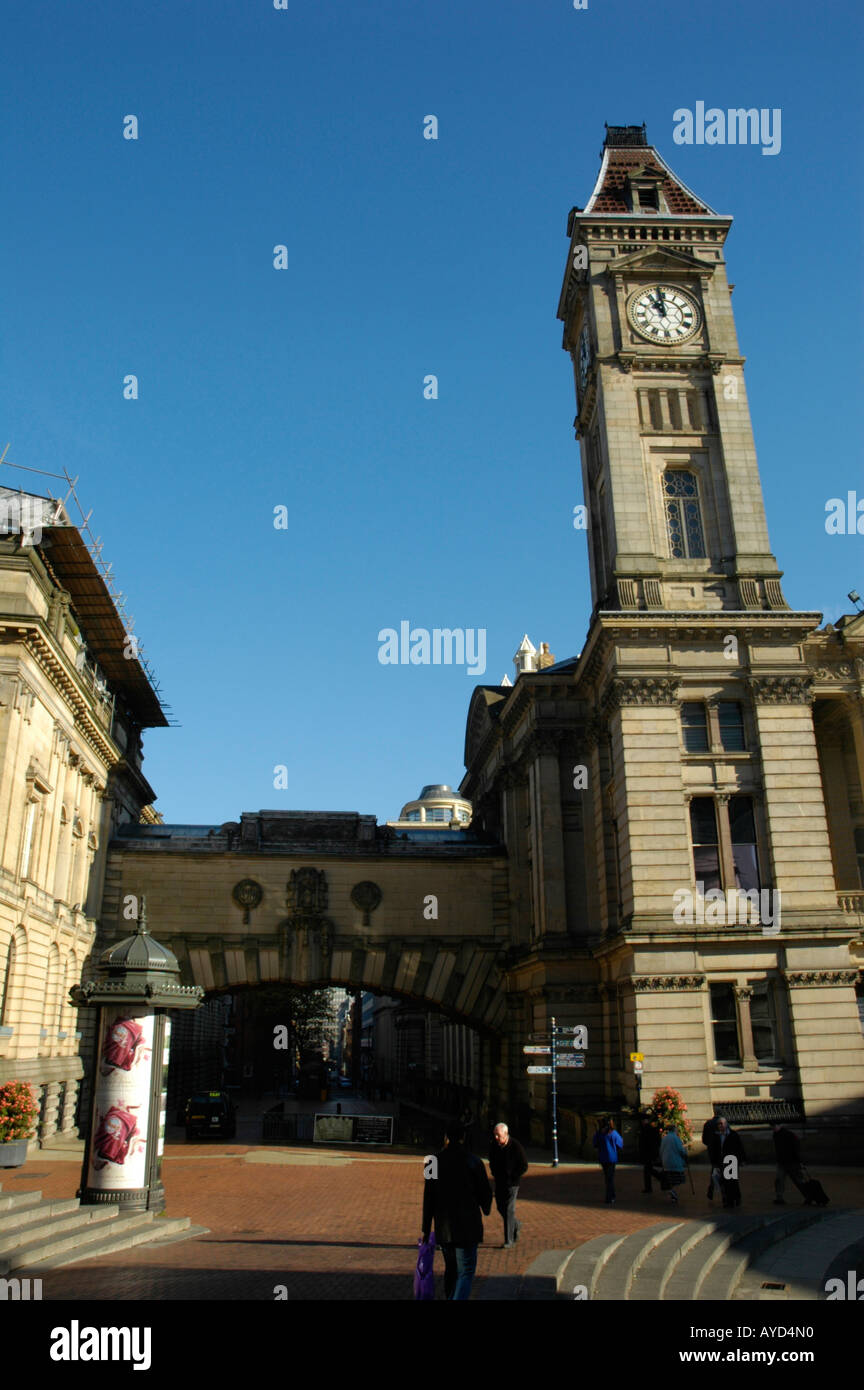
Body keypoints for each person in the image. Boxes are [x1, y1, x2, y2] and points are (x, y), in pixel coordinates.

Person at [421, 1120, 493, 1300]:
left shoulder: (431, 1162)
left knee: (451, 1269)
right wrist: (486, 1208)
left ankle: (449, 1296)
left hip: (444, 1227)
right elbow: (485, 1193)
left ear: (446, 1138)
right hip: (468, 1225)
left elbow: (428, 1197)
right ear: (463, 1138)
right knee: (466, 1271)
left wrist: (425, 1227)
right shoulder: (475, 1162)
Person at [488, 1122, 528, 1248]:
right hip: (500, 1182)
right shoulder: (494, 1145)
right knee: (500, 1207)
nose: (496, 1138)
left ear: (505, 1134)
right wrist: (494, 1172)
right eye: (495, 1135)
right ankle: (516, 1224)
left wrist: (513, 1177)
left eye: (498, 1135)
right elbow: (491, 1160)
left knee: (509, 1209)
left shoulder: (516, 1146)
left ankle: (508, 1240)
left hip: (512, 1184)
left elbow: (523, 1165)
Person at [706, 1116, 746, 1208]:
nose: (720, 1126)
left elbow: (739, 1148)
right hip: (721, 1161)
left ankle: (736, 1198)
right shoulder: (716, 1136)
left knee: (733, 1181)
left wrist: (742, 1159)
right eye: (719, 1124)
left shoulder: (733, 1135)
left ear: (726, 1124)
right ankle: (729, 1200)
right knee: (724, 1182)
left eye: (722, 1124)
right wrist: (714, 1162)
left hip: (732, 1160)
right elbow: (713, 1150)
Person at [771, 1122, 807, 1204]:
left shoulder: (778, 1135)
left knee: (781, 1180)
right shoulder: (788, 1134)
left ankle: (779, 1197)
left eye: (774, 1126)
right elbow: (796, 1148)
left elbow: (795, 1148)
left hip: (788, 1162)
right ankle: (807, 1196)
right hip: (789, 1162)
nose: (773, 1127)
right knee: (797, 1180)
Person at [592, 1116, 623, 1205]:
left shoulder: (599, 1134)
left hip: (603, 1158)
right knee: (610, 1178)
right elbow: (620, 1144)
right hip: (612, 1158)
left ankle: (611, 1195)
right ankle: (610, 1196)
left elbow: (595, 1144)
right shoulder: (613, 1133)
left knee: (607, 1177)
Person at [657, 1128, 688, 1204]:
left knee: (670, 1179)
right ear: (675, 1130)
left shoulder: (664, 1138)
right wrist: (685, 1154)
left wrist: (662, 1159)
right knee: (676, 1180)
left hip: (666, 1163)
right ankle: (673, 1192)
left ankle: (672, 1193)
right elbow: (681, 1150)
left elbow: (661, 1150)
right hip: (675, 1163)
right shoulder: (676, 1138)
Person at [637, 1113, 661, 1193]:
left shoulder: (646, 1129)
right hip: (650, 1152)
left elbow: (643, 1142)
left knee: (648, 1170)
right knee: (648, 1169)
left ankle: (660, 1178)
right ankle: (650, 1186)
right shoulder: (652, 1129)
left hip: (648, 1152)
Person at [701, 1114, 721, 1200]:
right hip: (721, 1150)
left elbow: (704, 1139)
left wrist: (709, 1145)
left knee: (714, 1169)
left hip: (711, 1150)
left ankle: (712, 1188)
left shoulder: (707, 1123)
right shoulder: (722, 1123)